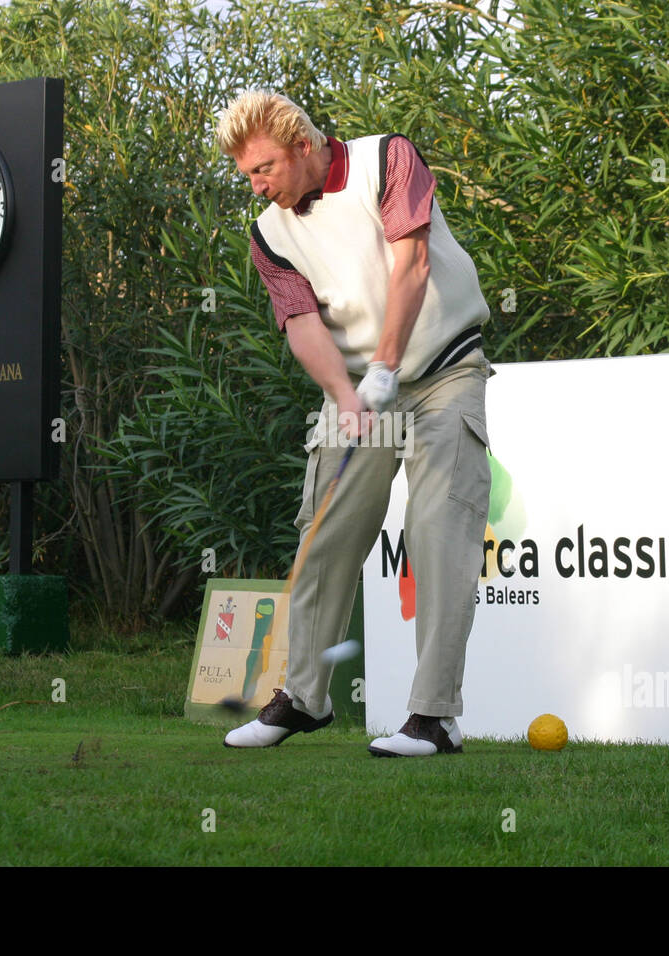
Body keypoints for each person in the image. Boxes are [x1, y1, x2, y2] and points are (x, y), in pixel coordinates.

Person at [214, 90, 491, 756]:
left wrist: (387, 366)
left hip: (445, 370)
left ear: (302, 146)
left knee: (436, 532)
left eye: (265, 169)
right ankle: (303, 699)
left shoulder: (386, 159)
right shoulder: (269, 234)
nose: (257, 185)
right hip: (363, 390)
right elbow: (304, 325)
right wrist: (344, 393)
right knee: (323, 531)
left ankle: (434, 718)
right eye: (248, 175)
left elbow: (413, 262)